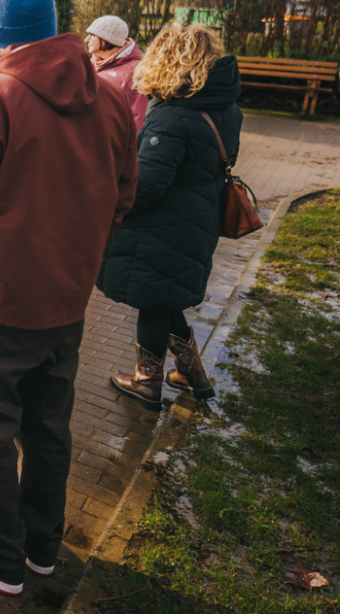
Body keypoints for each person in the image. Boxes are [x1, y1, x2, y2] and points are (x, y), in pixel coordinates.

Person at [0, 0, 138, 596]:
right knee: (48, 428)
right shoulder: (110, 100)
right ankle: (42, 548)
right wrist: (79, 259)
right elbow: (122, 197)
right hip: (66, 302)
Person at [97, 24, 242, 410]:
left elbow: (146, 185)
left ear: (167, 58)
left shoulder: (172, 116)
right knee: (165, 296)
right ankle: (192, 373)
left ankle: (147, 381)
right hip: (197, 222)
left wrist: (108, 204)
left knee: (154, 299)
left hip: (161, 228)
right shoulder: (227, 108)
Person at [86, 15, 148, 130]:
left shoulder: (135, 72)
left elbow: (138, 118)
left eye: (92, 35)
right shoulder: (91, 64)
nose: (87, 40)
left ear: (107, 39)